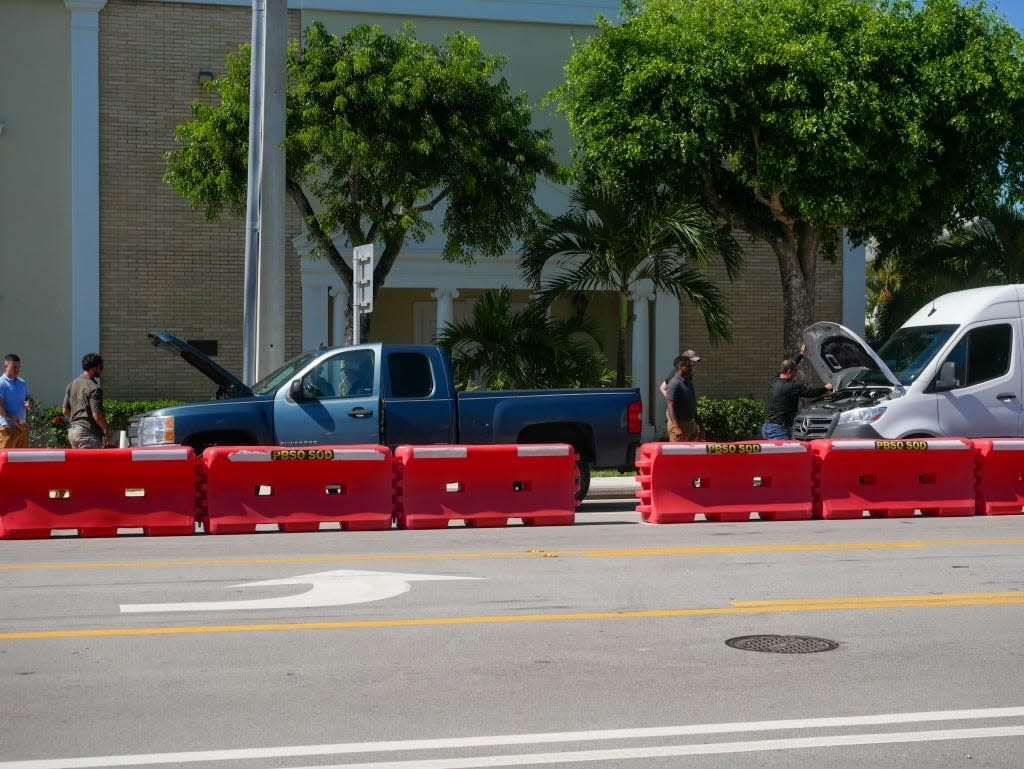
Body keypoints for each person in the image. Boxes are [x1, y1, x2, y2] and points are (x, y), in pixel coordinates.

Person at [762, 344, 833, 439]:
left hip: (767, 427)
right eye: (795, 371)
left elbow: (790, 365)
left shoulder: (774, 381)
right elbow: (811, 393)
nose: (796, 373)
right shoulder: (793, 386)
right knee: (785, 454)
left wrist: (801, 354)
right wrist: (826, 388)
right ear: (789, 372)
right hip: (779, 431)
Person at [63, 353, 113, 449]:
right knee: (92, 464)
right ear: (93, 368)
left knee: (80, 464)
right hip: (88, 435)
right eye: (101, 367)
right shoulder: (94, 388)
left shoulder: (71, 385)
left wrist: (77, 423)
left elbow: (65, 411)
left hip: (73, 433)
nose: (102, 370)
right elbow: (97, 416)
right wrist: (107, 428)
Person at [665, 350, 703, 442]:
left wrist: (700, 426)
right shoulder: (674, 383)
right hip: (679, 424)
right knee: (676, 455)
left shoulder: (688, 382)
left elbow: (692, 405)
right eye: (689, 366)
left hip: (691, 424)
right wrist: (676, 427)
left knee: (691, 455)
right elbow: (670, 405)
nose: (692, 368)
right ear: (681, 367)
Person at [0, 354, 33, 448]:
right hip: (7, 430)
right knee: (5, 461)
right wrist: (17, 421)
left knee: (23, 461)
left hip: (22, 429)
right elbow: (1, 409)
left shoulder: (22, 383)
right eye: (14, 367)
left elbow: (29, 398)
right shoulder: (1, 383)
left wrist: (30, 402)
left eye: (19, 367)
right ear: (6, 366)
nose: (17, 370)